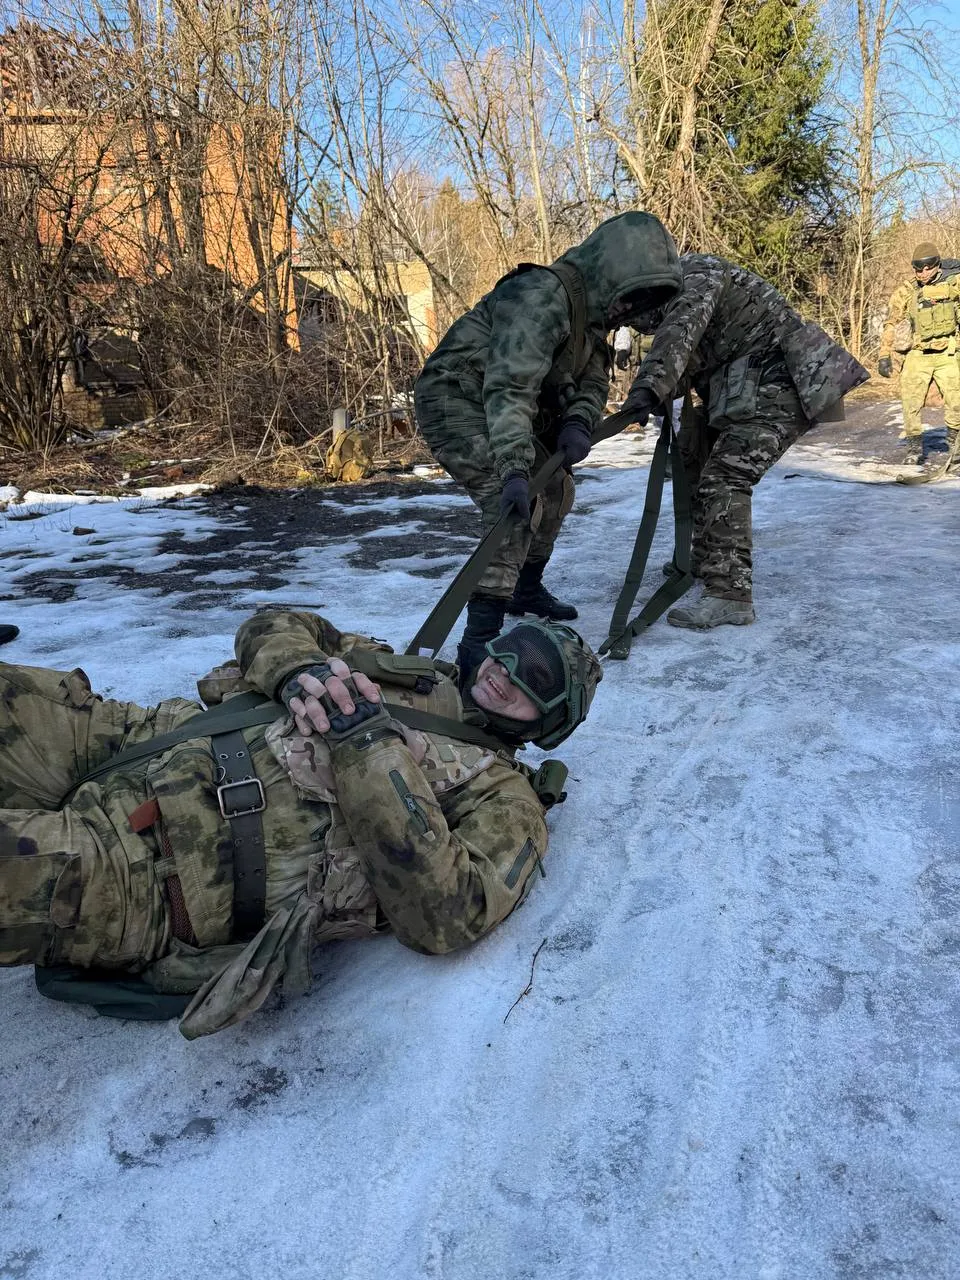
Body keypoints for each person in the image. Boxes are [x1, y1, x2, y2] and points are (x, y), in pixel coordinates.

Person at [0, 608, 601, 1039]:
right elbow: (275, 622)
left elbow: (449, 915)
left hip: (155, 867)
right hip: (138, 741)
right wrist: (298, 672)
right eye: (513, 649)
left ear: (550, 721)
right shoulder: (401, 670)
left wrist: (370, 750)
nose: (506, 671)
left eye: (536, 678)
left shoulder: (503, 797)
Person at [414, 211, 682, 677]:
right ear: (611, 271)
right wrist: (514, 468)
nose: (629, 310)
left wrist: (578, 421)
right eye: (630, 297)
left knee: (557, 490)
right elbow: (510, 387)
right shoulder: (540, 296)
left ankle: (524, 588)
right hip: (457, 400)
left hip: (505, 408)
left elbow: (593, 382)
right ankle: (478, 642)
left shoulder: (591, 320)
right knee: (515, 505)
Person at [621, 255, 868, 630]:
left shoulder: (695, 275)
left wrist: (647, 388)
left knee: (725, 477)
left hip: (781, 382)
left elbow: (677, 337)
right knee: (697, 460)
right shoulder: (681, 294)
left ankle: (729, 595)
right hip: (746, 387)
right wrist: (656, 395)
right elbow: (689, 361)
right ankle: (706, 560)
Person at [877, 242, 960, 470]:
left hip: (948, 351)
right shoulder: (907, 290)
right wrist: (884, 354)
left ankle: (955, 447)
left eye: (928, 268)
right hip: (918, 352)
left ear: (937, 265)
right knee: (910, 400)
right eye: (918, 269)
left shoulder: (954, 283)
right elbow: (891, 322)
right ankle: (914, 449)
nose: (923, 273)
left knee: (956, 400)